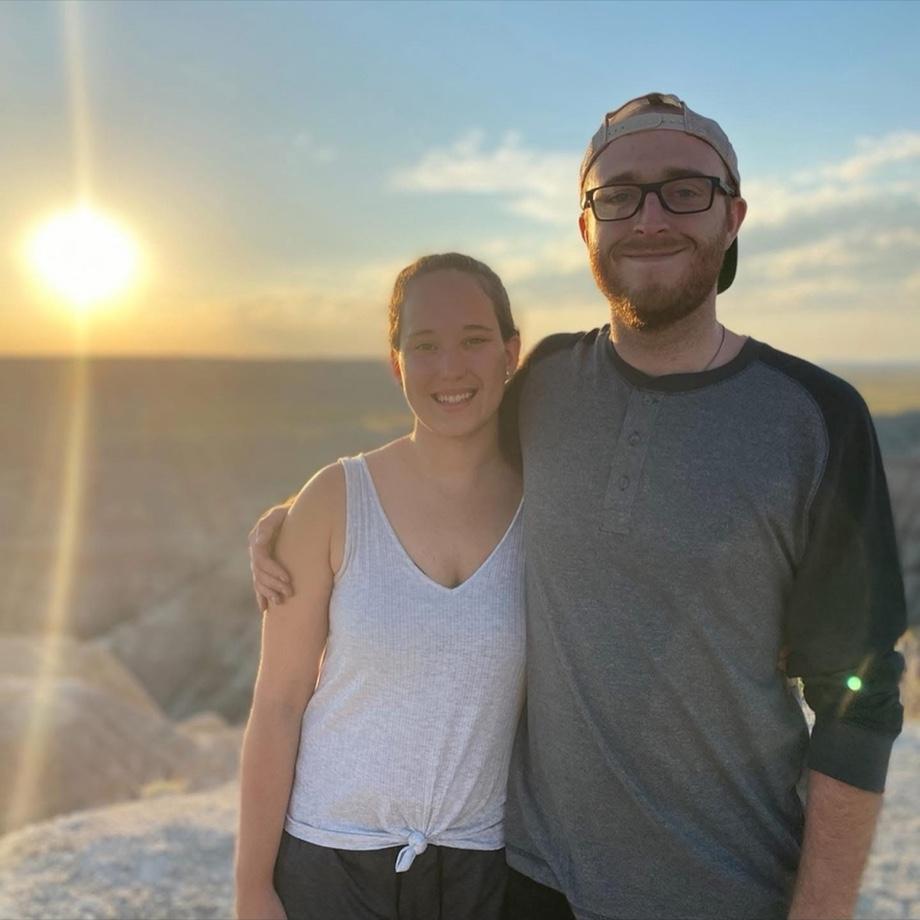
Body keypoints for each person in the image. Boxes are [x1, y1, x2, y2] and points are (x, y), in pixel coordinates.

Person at [250, 93, 907, 920]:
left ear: (733, 215)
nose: (651, 217)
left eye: (685, 190)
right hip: (531, 883)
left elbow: (861, 696)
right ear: (586, 227)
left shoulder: (816, 417)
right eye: (619, 195)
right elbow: (444, 456)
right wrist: (293, 519)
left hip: (727, 890)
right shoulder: (549, 386)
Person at [235, 253, 526, 920]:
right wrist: (252, 889)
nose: (450, 366)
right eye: (424, 345)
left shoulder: (549, 510)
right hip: (326, 864)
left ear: (512, 352)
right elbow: (278, 703)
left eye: (475, 340)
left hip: (479, 873)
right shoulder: (336, 499)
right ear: (397, 364)